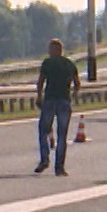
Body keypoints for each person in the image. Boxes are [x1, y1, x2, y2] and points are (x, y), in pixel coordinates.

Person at [35, 38, 81, 175]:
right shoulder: (69, 64)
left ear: (54, 50)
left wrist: (38, 96)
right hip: (64, 101)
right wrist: (74, 94)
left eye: (50, 49)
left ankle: (44, 159)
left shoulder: (47, 63)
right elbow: (77, 83)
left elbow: (40, 82)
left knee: (43, 131)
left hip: (50, 100)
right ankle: (59, 167)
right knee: (62, 135)